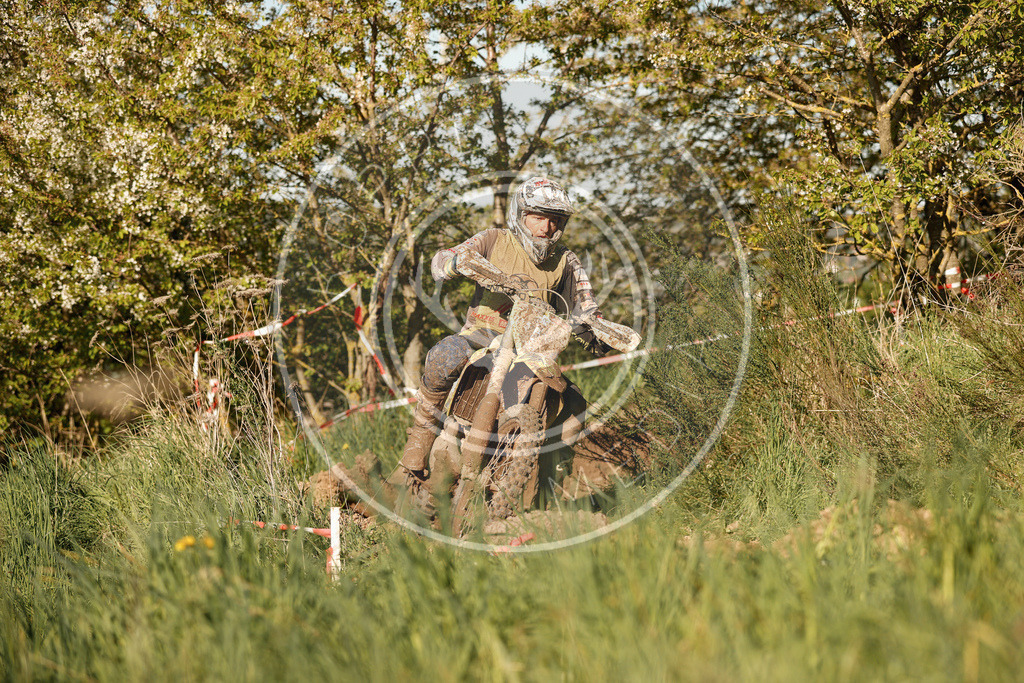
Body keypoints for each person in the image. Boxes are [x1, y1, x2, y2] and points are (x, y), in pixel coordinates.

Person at [393, 176, 612, 490]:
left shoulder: (565, 260)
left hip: (534, 346)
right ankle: (413, 456)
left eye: (554, 220)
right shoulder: (494, 239)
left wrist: (599, 330)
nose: (546, 227)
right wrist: (454, 263)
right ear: (521, 215)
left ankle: (552, 472)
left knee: (575, 401)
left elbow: (585, 301)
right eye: (538, 217)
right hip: (484, 333)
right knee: (445, 354)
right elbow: (443, 259)